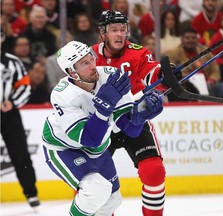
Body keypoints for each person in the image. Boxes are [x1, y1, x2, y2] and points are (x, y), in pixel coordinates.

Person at [42, 40, 164, 216]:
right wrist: (104, 106)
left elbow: (128, 129)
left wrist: (139, 117)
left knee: (112, 201)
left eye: (91, 58)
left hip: (97, 149)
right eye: (84, 63)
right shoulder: (62, 95)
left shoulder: (110, 76)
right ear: (71, 71)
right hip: (64, 148)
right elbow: (89, 139)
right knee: (96, 191)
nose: (93, 65)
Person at [92, 10, 177, 216]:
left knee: (154, 172)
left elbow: (150, 71)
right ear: (103, 33)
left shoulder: (138, 52)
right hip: (101, 124)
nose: (120, 34)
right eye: (114, 30)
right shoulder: (89, 56)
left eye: (123, 30)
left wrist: (165, 74)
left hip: (133, 119)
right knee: (94, 183)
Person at [0, 33, 40, 208]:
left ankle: (31, 192)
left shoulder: (12, 62)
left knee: (20, 153)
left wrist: (13, 102)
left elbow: (24, 85)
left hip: (9, 114)